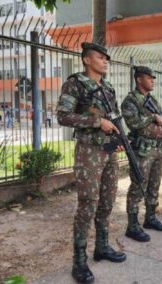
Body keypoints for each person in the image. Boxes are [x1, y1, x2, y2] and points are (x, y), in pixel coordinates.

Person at [56, 42, 126, 284]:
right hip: (88, 152)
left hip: (108, 152)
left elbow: (115, 117)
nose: (105, 61)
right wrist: (97, 122)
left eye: (107, 58)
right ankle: (79, 261)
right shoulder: (75, 83)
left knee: (107, 201)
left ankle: (102, 247)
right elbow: (63, 116)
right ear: (87, 60)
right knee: (88, 204)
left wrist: (118, 138)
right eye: (100, 57)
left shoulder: (107, 87)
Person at [121, 66, 162, 242]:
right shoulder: (130, 101)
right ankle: (132, 226)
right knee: (138, 188)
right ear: (139, 79)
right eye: (149, 78)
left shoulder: (153, 100)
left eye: (153, 78)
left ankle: (150, 218)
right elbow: (134, 123)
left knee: (154, 185)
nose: (153, 80)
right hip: (142, 151)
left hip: (158, 150)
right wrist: (152, 118)